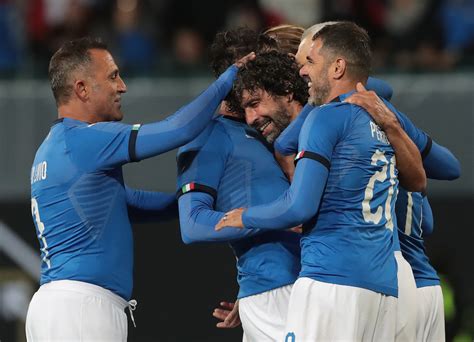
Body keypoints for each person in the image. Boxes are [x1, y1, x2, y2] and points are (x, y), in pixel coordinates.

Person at [26, 36, 254, 341]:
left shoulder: (53, 148)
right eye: (112, 76)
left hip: (60, 306)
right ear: (81, 88)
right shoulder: (84, 140)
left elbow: (129, 203)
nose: (122, 86)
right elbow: (177, 129)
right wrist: (230, 78)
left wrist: (198, 197)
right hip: (81, 309)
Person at [216, 22, 429, 340]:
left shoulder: (321, 118)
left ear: (338, 66)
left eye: (309, 63)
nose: (303, 73)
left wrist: (244, 216)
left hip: (332, 278)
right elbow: (419, 180)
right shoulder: (376, 116)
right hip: (384, 281)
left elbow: (300, 206)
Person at [177, 29, 301, 341]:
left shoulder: (266, 127)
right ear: (243, 69)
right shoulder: (206, 135)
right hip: (274, 294)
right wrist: (281, 216)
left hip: (304, 285)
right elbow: (192, 225)